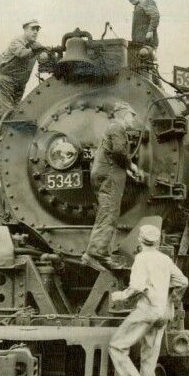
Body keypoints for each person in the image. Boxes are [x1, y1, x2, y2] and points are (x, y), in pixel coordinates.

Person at [108, 225, 188, 376]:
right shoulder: (165, 259)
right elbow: (183, 281)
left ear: (140, 240)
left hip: (147, 311)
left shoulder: (141, 259)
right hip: (163, 313)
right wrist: (171, 300)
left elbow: (136, 286)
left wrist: (120, 295)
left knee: (117, 346)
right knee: (148, 359)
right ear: (158, 242)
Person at [82, 101, 142, 271]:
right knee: (108, 213)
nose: (133, 119)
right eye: (132, 115)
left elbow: (111, 154)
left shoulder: (111, 127)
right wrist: (131, 165)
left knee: (108, 212)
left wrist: (127, 170)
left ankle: (103, 254)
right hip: (109, 175)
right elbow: (118, 151)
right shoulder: (117, 127)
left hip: (107, 172)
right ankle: (94, 253)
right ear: (123, 114)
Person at [0, 20, 50, 126]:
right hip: (4, 80)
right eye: (32, 29)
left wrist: (45, 54)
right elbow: (22, 53)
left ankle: (12, 139)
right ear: (25, 29)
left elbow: (43, 55)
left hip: (19, 83)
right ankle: (3, 139)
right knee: (5, 113)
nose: (35, 32)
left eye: (37, 30)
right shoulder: (17, 42)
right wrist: (37, 51)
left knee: (16, 113)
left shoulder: (36, 45)